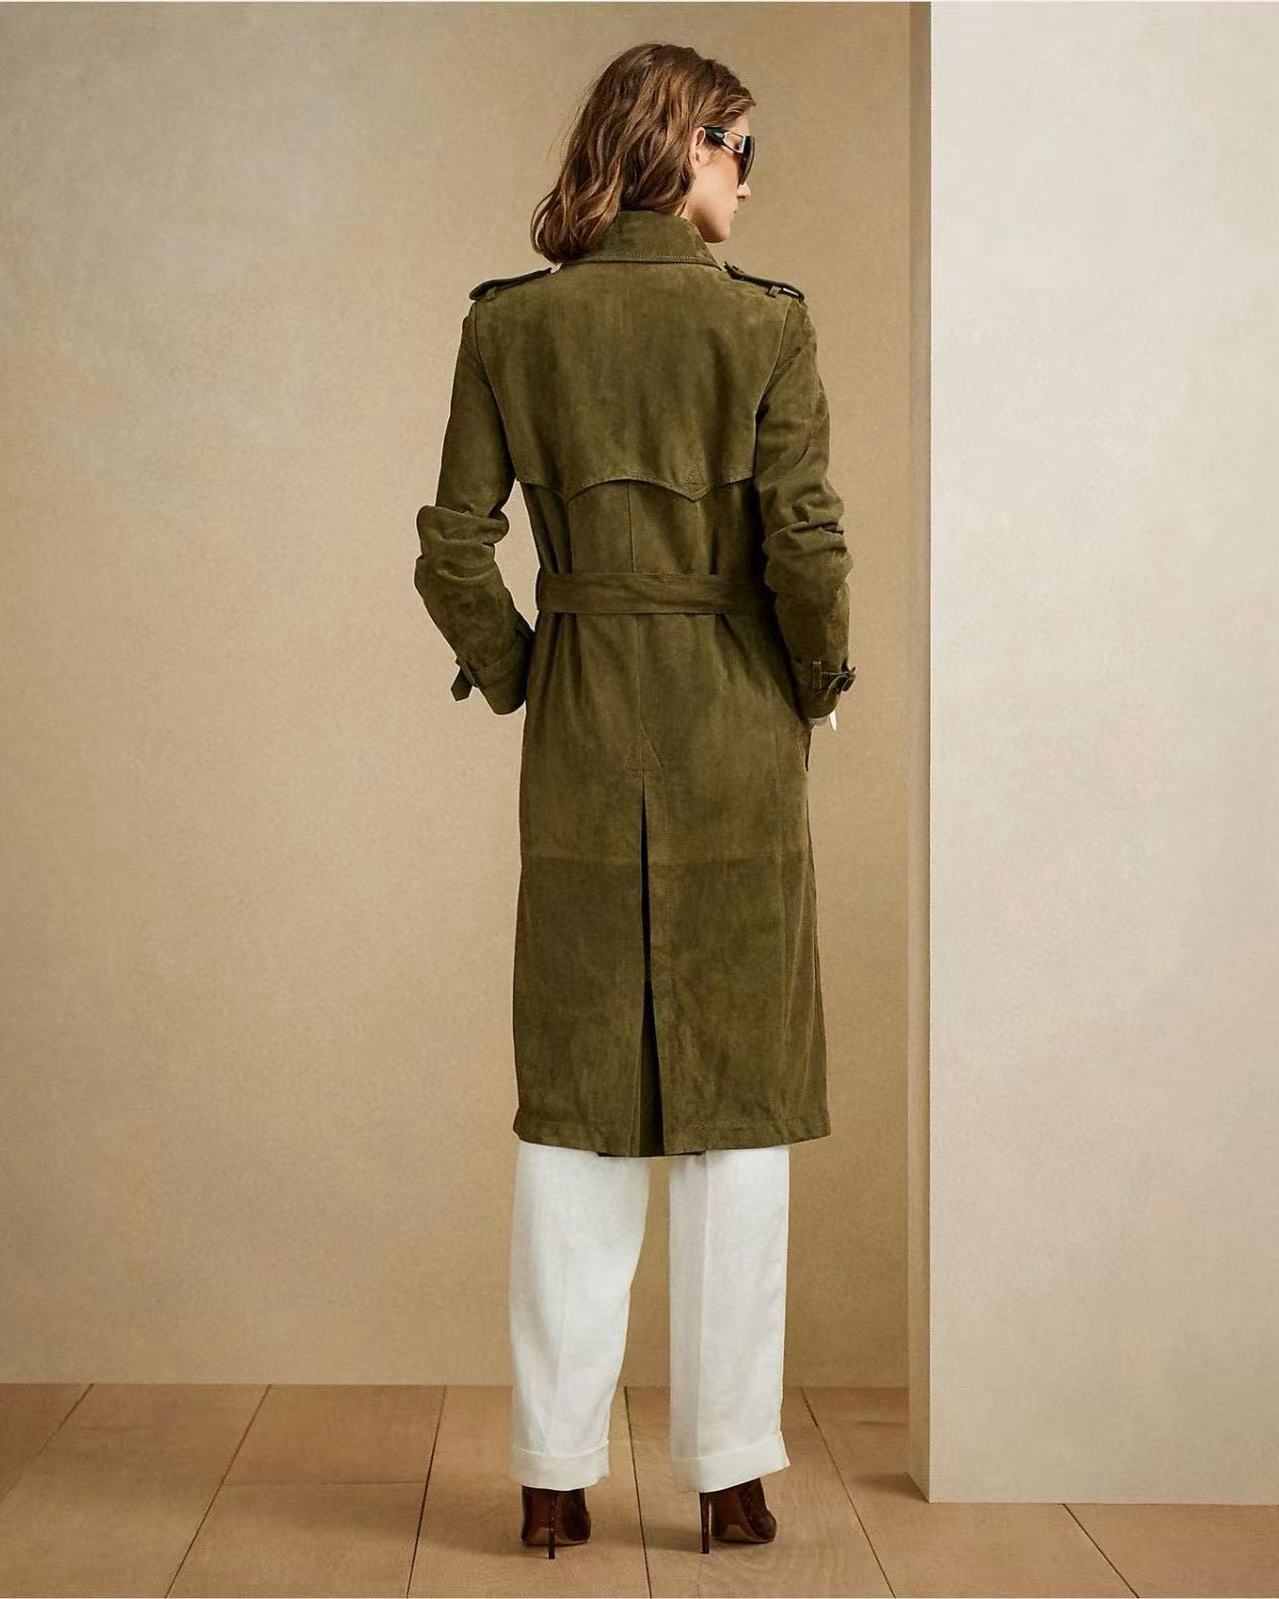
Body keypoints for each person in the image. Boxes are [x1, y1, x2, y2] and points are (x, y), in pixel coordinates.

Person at [413, 41, 855, 1558]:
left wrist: (529, 672)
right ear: (684, 144)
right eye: (741, 148)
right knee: (738, 1109)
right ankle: (730, 1477)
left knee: (578, 1107)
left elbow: (453, 547)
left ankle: (553, 1475)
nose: (750, 180)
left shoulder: (510, 327)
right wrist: (819, 681)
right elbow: (806, 540)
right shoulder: (767, 327)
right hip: (737, 729)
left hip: (587, 733)